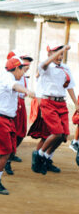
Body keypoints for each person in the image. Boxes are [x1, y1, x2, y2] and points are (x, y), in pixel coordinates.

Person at [0, 56, 35, 195]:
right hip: (1, 119)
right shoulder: (7, 78)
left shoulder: (7, 77)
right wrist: (27, 91)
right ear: (16, 68)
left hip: (6, 119)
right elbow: (15, 86)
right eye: (22, 69)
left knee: (10, 150)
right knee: (5, 153)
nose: (23, 73)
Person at [32, 44, 78, 174]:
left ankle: (46, 158)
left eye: (62, 54)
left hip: (61, 103)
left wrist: (76, 103)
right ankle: (39, 154)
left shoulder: (65, 68)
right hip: (48, 102)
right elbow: (44, 64)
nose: (60, 57)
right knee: (56, 132)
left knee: (63, 135)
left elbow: (70, 86)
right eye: (56, 54)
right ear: (49, 54)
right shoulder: (45, 67)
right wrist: (62, 49)